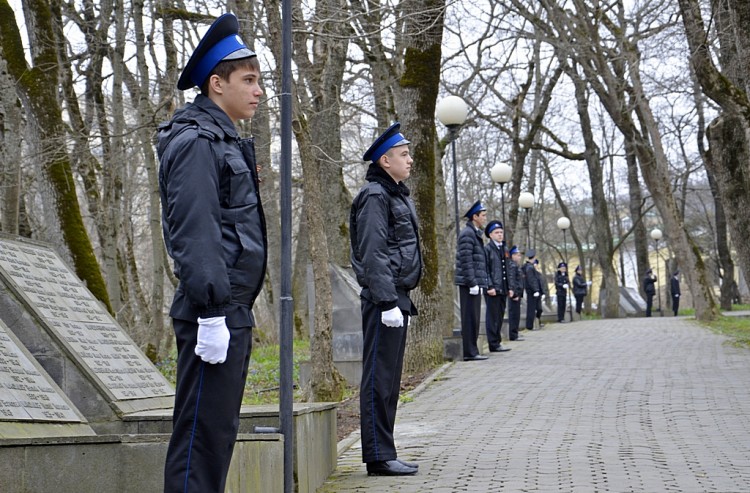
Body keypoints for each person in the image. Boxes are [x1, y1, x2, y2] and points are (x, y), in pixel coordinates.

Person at [157, 13, 267, 493]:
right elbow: (196, 231)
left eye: (259, 80)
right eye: (249, 80)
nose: (259, 90)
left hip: (228, 310)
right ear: (216, 84)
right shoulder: (197, 141)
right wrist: (210, 312)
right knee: (200, 440)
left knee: (216, 436)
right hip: (213, 312)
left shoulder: (224, 138)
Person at [350, 122, 423, 477]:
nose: (410, 160)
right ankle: (378, 456)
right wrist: (386, 301)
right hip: (385, 300)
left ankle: (385, 450)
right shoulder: (375, 196)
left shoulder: (394, 194)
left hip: (396, 297)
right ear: (385, 160)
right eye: (403, 154)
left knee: (389, 380)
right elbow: (373, 252)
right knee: (379, 379)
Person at [455, 200, 489, 361]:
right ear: (474, 217)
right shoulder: (467, 234)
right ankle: (469, 352)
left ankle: (473, 350)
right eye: (482, 215)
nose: (484, 218)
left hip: (474, 283)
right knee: (469, 319)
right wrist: (472, 283)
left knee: (474, 318)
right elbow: (466, 261)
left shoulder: (474, 233)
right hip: (469, 284)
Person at [483, 220, 511, 353]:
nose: (500, 235)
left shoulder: (504, 249)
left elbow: (507, 269)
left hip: (502, 288)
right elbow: (486, 269)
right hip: (493, 288)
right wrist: (489, 286)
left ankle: (497, 341)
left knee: (499, 316)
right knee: (492, 316)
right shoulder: (487, 249)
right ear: (490, 235)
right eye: (496, 232)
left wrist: (509, 288)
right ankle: (493, 343)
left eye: (501, 232)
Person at [507, 245, 525, 341]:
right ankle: (513, 334)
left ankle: (515, 333)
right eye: (517, 255)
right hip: (514, 294)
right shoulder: (512, 266)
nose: (519, 257)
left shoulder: (515, 265)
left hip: (517, 293)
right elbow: (512, 280)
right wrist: (514, 293)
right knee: (514, 315)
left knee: (516, 314)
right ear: (512, 256)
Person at [522, 248, 542, 331]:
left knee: (535, 308)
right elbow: (532, 280)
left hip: (532, 290)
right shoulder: (529, 268)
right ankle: (529, 326)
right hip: (531, 291)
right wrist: (536, 290)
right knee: (531, 309)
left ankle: (531, 325)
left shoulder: (529, 267)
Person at [534, 258, 547, 328]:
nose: (535, 266)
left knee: (539, 309)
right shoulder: (530, 273)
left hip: (539, 293)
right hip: (533, 293)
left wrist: (543, 293)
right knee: (534, 309)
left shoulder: (539, 274)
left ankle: (538, 320)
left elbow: (542, 284)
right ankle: (536, 322)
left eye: (536, 265)